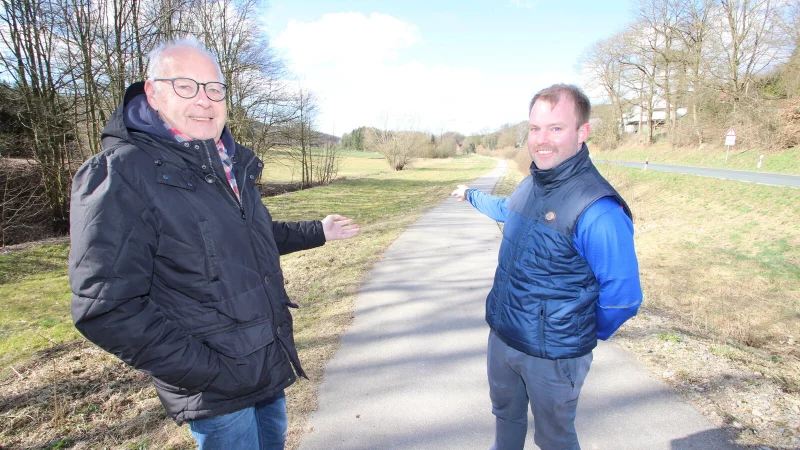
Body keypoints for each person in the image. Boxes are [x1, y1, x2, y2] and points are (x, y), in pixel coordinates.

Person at [69, 38, 359, 450]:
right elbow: (105, 308)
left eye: (214, 89)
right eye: (185, 86)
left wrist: (318, 231)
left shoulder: (228, 162)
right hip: (216, 386)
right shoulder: (121, 173)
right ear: (152, 92)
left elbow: (247, 237)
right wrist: (208, 372)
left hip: (265, 361)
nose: (204, 101)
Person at [452, 84, 642, 450]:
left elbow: (623, 299)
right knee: (505, 418)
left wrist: (575, 334)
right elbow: (506, 211)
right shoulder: (531, 185)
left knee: (554, 439)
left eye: (556, 128)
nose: (542, 139)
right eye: (535, 128)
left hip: (554, 357)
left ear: (582, 132)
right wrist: (471, 195)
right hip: (504, 338)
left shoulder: (597, 207)